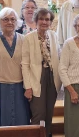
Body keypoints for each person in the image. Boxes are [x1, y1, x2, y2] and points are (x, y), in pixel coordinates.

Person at [0, 7, 30, 127]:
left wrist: (28, 87)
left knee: (20, 121)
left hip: (19, 87)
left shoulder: (23, 39)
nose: (10, 22)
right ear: (0, 22)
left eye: (13, 19)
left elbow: (27, 65)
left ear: (17, 22)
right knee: (0, 123)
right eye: (6, 19)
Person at [21, 8, 62, 137]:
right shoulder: (28, 38)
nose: (44, 22)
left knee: (49, 111)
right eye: (41, 19)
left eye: (47, 19)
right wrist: (28, 87)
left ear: (50, 22)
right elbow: (25, 64)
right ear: (36, 20)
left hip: (52, 77)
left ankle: (47, 134)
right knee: (39, 113)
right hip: (36, 78)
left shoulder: (53, 35)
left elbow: (59, 57)